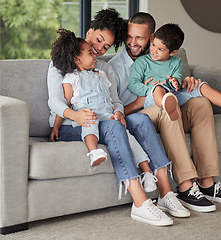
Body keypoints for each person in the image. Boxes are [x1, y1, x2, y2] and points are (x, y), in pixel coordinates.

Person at [47, 8, 189, 226]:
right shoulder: (62, 63)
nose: (99, 49)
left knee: (140, 120)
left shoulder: (103, 68)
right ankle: (140, 202)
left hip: (103, 118)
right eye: (98, 40)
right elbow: (55, 102)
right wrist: (75, 115)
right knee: (113, 128)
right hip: (72, 125)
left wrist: (118, 113)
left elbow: (115, 101)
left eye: (105, 46)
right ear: (89, 31)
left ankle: (165, 193)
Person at [109, 12, 221, 213]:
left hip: (168, 107)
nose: (132, 42)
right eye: (129, 36)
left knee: (200, 104)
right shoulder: (113, 67)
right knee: (166, 109)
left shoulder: (165, 57)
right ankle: (185, 186)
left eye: (139, 37)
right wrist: (140, 101)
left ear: (152, 37)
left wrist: (185, 83)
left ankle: (207, 182)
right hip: (138, 117)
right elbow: (113, 110)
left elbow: (175, 84)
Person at [128, 23, 221, 123]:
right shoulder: (142, 62)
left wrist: (175, 82)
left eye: (160, 49)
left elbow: (177, 79)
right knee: (158, 89)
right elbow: (133, 85)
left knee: (202, 85)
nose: (154, 51)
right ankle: (168, 110)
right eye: (153, 45)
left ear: (173, 52)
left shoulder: (177, 62)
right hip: (152, 99)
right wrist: (150, 88)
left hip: (173, 96)